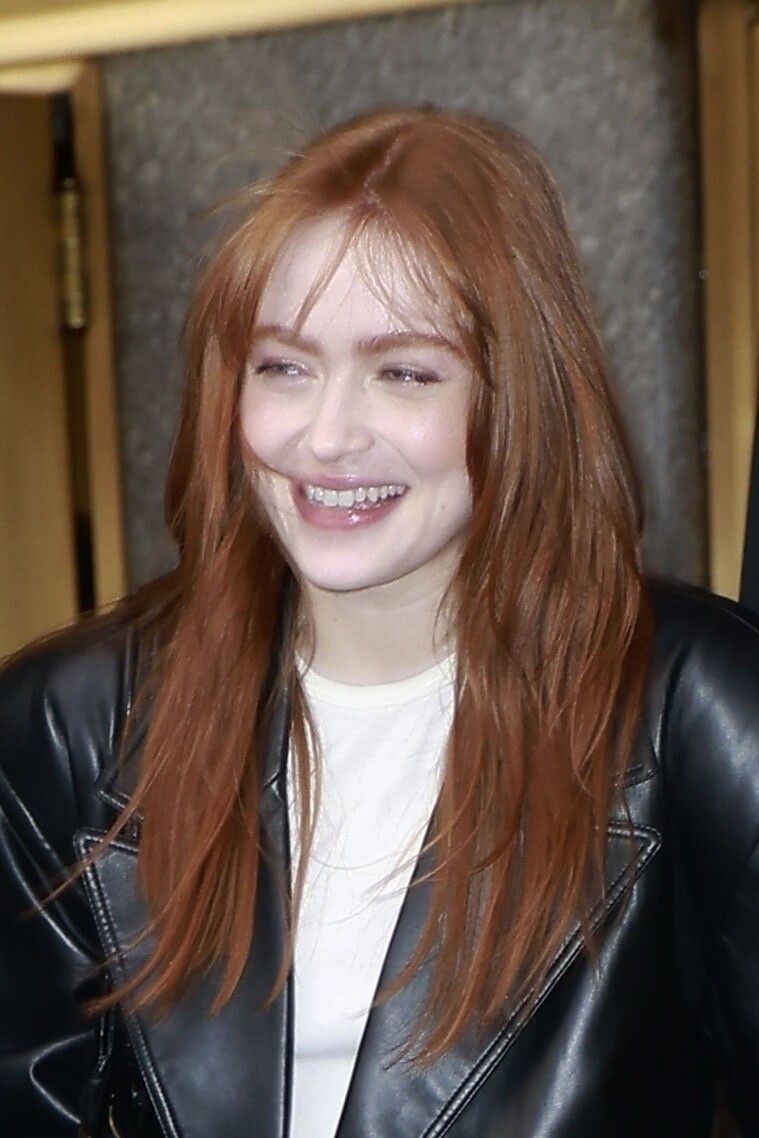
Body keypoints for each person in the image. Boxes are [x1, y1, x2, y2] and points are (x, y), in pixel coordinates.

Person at [1, 106, 758, 1138]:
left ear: (518, 395)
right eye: (283, 366)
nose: (326, 436)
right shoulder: (71, 723)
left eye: (403, 372)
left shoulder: (702, 711)